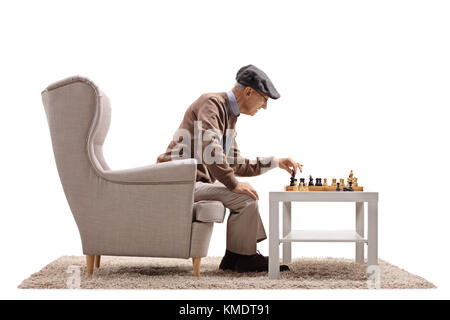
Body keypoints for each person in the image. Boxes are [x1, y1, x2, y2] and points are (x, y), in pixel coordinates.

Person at [157, 64, 303, 272]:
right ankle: (243, 258)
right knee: (245, 197)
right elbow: (211, 148)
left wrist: (276, 162)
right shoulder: (211, 103)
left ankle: (235, 259)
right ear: (248, 91)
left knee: (246, 195)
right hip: (176, 183)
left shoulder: (229, 116)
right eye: (264, 99)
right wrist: (232, 184)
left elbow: (235, 164)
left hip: (189, 183)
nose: (264, 107)